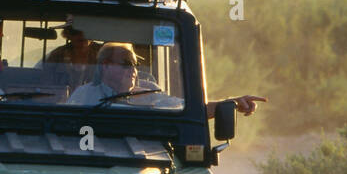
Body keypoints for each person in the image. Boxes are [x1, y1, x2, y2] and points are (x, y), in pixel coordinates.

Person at [68, 42, 267, 117]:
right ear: (105, 66)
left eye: (135, 65)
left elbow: (191, 110)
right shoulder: (84, 95)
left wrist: (231, 104)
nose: (133, 70)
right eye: (126, 64)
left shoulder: (149, 94)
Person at [42, 18, 102, 90]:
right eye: (75, 32)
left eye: (87, 30)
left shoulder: (104, 53)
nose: (82, 34)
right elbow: (47, 86)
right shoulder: (56, 55)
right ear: (67, 34)